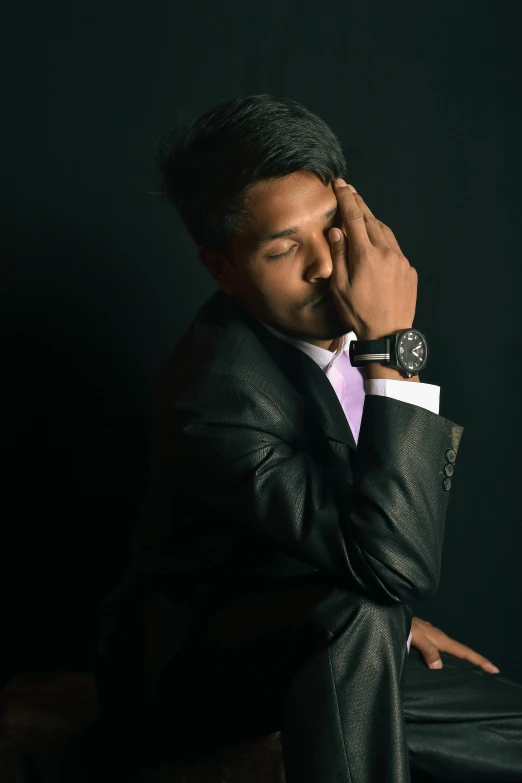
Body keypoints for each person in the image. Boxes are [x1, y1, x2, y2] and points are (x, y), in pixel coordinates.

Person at [90, 94, 522, 782]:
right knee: (358, 613)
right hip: (190, 666)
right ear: (222, 268)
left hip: (337, 627)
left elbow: (376, 564)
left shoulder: (344, 310)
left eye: (333, 227)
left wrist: (395, 626)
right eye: (283, 247)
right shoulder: (217, 394)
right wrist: (390, 347)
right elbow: (396, 569)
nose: (325, 263)